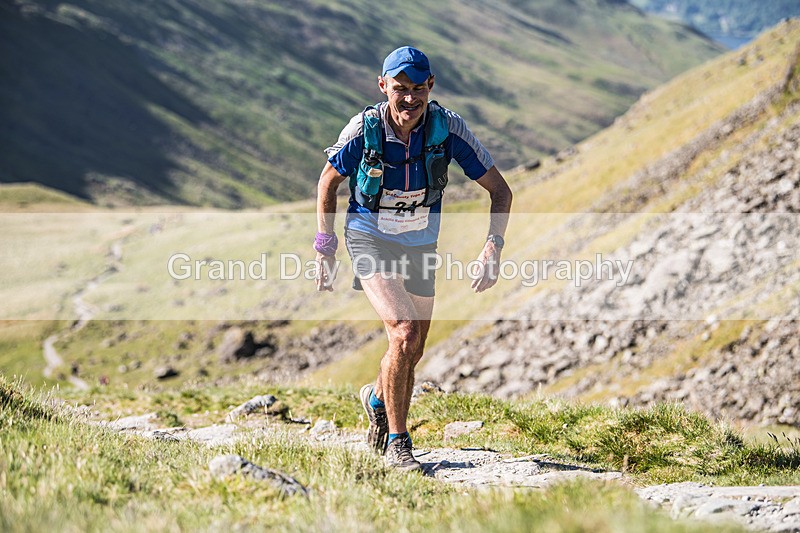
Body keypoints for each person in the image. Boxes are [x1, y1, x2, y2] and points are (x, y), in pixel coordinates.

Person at [314, 46, 512, 471]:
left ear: (431, 86)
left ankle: (375, 397)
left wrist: (493, 245)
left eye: (417, 89)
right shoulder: (362, 129)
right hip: (369, 237)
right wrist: (325, 248)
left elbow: (500, 190)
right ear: (383, 86)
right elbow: (328, 184)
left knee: (413, 347)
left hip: (420, 243)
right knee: (403, 332)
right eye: (399, 89)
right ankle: (399, 445)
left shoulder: (449, 129)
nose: (409, 99)